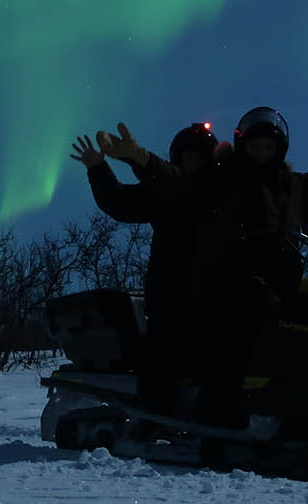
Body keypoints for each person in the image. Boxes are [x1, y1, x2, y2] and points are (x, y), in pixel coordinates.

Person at [97, 107, 308, 429]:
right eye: (255, 145)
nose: (262, 152)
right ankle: (220, 409)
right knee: (251, 309)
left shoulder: (295, 186)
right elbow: (180, 184)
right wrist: (141, 159)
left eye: (268, 146)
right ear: (243, 146)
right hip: (226, 287)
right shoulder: (222, 181)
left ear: (279, 148)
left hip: (282, 285)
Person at [73, 121, 219, 412]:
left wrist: (140, 159)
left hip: (214, 292)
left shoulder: (217, 192)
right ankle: (154, 417)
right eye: (187, 157)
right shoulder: (163, 192)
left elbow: (181, 185)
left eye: (199, 157)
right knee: (162, 355)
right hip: (170, 292)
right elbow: (120, 202)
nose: (193, 163)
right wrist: (98, 169)